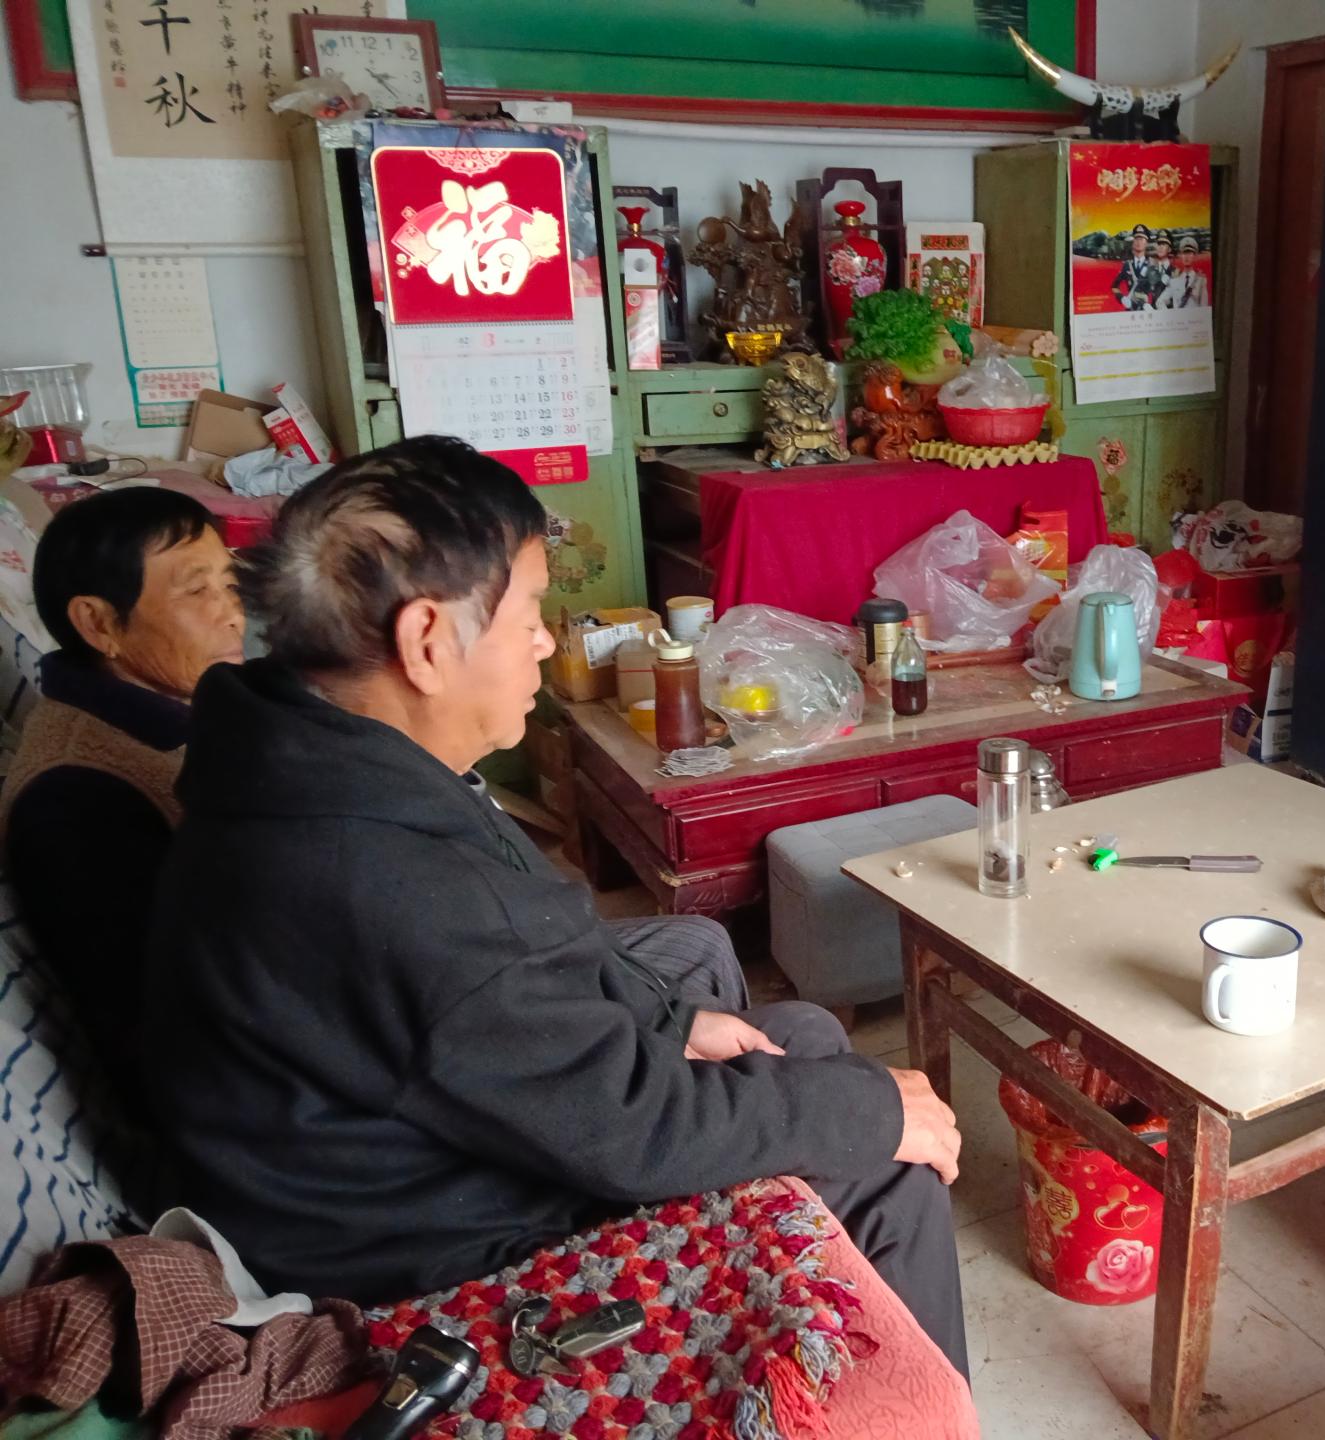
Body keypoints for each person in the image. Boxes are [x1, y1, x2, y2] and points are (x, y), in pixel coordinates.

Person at [142, 436, 969, 1377]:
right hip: (450, 1263)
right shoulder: (377, 880)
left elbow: (532, 984)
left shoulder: (309, 753)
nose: (544, 640)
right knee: (887, 1166)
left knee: (805, 1038)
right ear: (426, 643)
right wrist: (869, 1110)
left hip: (429, 1158)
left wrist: (675, 1020)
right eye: (531, 612)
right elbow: (636, 1128)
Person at [0, 488, 242, 1103]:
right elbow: (166, 1037)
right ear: (99, 624)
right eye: (197, 591)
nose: (233, 615)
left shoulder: (181, 711)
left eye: (230, 583)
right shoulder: (75, 800)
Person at [1110, 222, 1164, 311]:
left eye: (1142, 239)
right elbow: (1114, 286)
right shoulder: (1127, 265)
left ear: (1146, 243)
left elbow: (1159, 289)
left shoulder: (1152, 265)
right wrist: (1122, 298)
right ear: (1133, 242)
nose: (1139, 242)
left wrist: (1152, 305)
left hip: (1147, 310)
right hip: (1130, 309)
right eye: (1136, 239)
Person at [1158, 236, 1211, 310]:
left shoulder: (1200, 280)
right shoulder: (1174, 280)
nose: (1186, 257)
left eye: (1189, 253)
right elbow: (1160, 302)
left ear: (1194, 256)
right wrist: (1171, 315)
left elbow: (1204, 307)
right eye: (1184, 253)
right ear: (1180, 256)